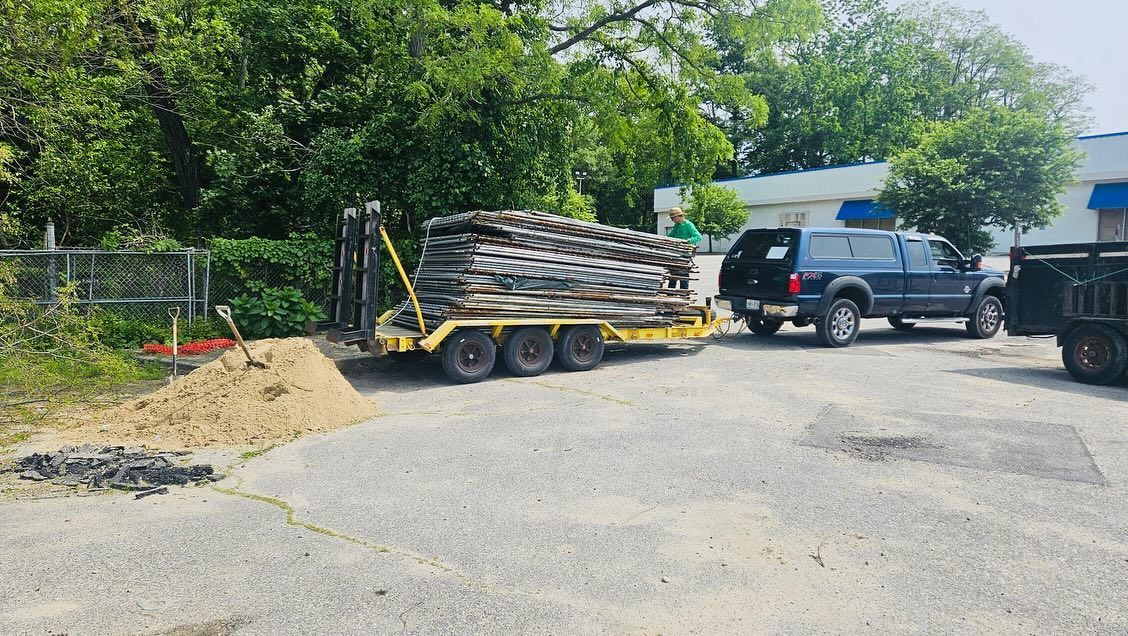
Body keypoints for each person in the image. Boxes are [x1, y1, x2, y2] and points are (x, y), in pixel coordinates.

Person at [665, 207, 701, 289]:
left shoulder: (688, 224)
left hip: (685, 254)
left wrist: (689, 241)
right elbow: (671, 235)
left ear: (677, 217)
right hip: (677, 253)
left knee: (683, 276)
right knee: (673, 275)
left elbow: (698, 237)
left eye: (672, 218)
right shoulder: (677, 225)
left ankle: (683, 295)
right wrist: (664, 240)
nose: (672, 220)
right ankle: (670, 294)